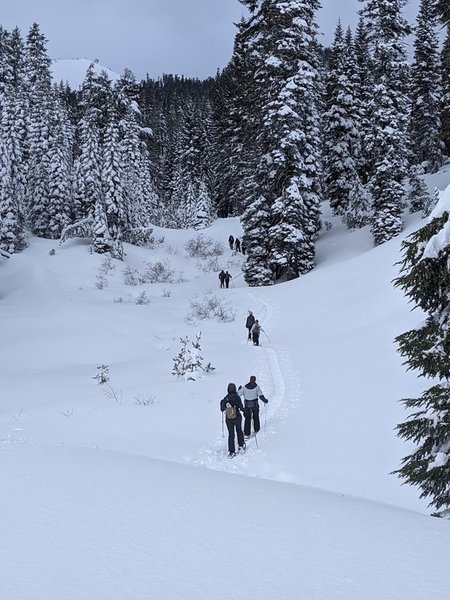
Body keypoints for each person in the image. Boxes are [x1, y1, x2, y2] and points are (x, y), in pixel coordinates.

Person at [220, 383, 245, 457]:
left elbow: (222, 409)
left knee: (231, 434)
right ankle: (241, 445)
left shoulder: (225, 398)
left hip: (229, 418)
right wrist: (246, 411)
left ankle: (231, 451)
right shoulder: (237, 398)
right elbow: (241, 408)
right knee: (239, 430)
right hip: (237, 417)